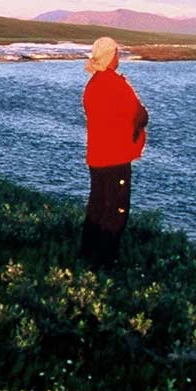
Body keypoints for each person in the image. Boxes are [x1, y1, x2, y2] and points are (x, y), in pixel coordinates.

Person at [79, 37, 148, 266]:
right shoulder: (116, 84)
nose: (119, 58)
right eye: (117, 54)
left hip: (96, 157)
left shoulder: (92, 85)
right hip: (115, 157)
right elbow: (139, 114)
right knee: (116, 210)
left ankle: (86, 256)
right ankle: (106, 262)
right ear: (110, 57)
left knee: (97, 205)